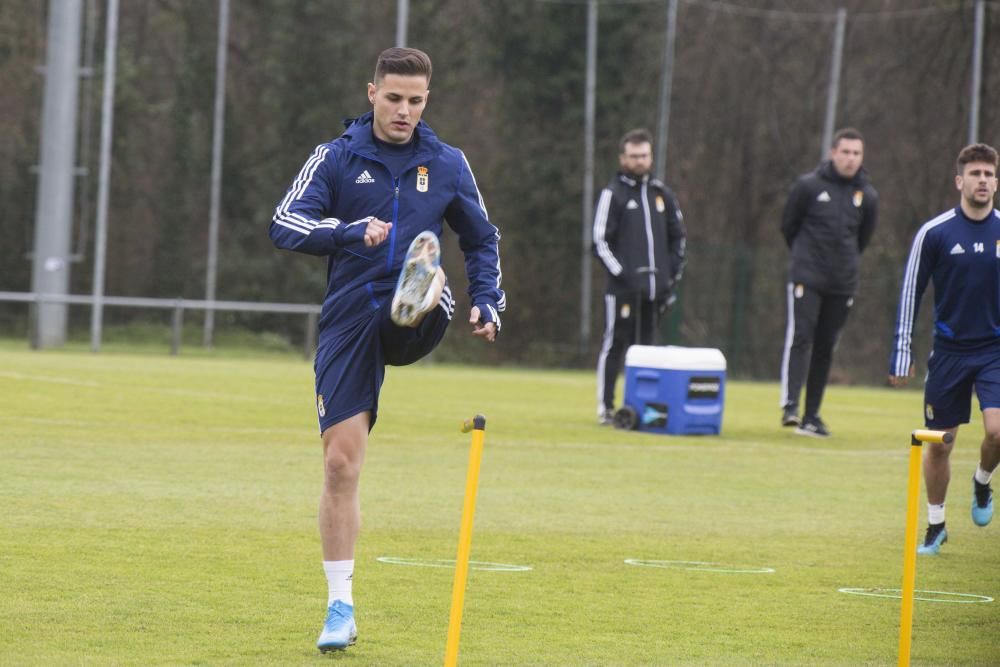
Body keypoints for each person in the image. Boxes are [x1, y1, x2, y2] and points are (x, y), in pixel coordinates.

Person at [268, 47, 504, 651]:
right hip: (350, 314)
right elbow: (286, 223)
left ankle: (425, 292)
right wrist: (349, 232)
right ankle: (340, 608)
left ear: (427, 101)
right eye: (394, 97)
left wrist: (488, 298)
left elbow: (482, 236)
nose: (404, 110)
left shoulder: (447, 164)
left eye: (416, 100)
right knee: (339, 465)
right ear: (371, 92)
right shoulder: (336, 157)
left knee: (423, 290)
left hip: (415, 313)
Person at [889, 142, 999, 555]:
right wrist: (902, 353)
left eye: (989, 174)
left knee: (997, 431)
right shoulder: (934, 233)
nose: (983, 180)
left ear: (996, 182)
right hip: (949, 353)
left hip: (995, 350)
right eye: (975, 173)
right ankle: (936, 525)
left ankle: (983, 482)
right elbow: (910, 294)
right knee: (940, 443)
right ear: (960, 181)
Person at [778, 128, 878, 437]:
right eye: (845, 152)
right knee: (802, 337)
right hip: (807, 278)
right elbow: (788, 226)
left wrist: (843, 265)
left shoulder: (868, 196)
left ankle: (812, 416)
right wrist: (806, 261)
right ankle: (791, 406)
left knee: (825, 348)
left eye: (856, 153)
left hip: (842, 283)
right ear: (833, 153)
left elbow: (863, 239)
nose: (850, 159)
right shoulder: (808, 186)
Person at [593, 129, 686, 425]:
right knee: (616, 344)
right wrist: (623, 275)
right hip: (621, 291)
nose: (639, 161)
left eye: (644, 155)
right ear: (623, 158)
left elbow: (678, 239)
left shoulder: (662, 194)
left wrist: (670, 277)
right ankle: (606, 408)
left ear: (651, 157)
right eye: (634, 156)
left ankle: (645, 408)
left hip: (654, 291)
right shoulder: (613, 194)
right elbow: (599, 241)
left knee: (647, 351)